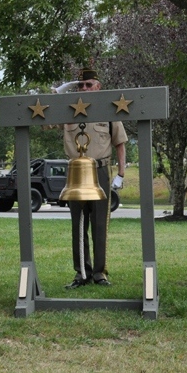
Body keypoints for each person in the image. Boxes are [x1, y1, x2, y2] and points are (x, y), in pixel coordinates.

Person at [55, 68, 128, 288]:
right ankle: (81, 273)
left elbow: (120, 143)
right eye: (80, 85)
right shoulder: (67, 110)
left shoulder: (108, 110)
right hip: (76, 173)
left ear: (98, 87)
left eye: (88, 85)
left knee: (99, 224)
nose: (84, 89)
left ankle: (99, 272)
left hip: (100, 170)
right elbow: (44, 121)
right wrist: (56, 94)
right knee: (78, 224)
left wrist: (121, 174)